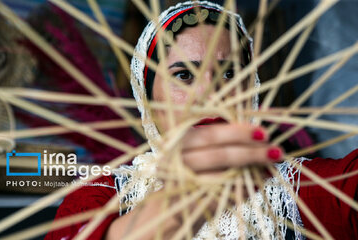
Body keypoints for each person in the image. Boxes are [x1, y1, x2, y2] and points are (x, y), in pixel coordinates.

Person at [45, 1, 358, 239]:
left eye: (230, 74)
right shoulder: (102, 195)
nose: (212, 95)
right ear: (148, 101)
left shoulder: (304, 192)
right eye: (183, 75)